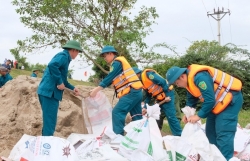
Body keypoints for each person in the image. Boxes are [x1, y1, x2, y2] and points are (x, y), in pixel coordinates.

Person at [166, 64, 243, 160]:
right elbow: (191, 100)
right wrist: (188, 113)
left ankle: (225, 158)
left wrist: (198, 116)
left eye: (177, 83)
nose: (178, 86)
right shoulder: (189, 83)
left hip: (230, 99)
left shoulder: (200, 77)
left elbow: (210, 100)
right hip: (217, 103)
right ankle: (215, 157)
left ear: (182, 76)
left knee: (223, 131)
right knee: (210, 133)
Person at [90, 46, 143, 135]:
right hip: (137, 92)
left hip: (131, 92)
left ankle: (118, 138)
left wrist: (96, 90)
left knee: (117, 112)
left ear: (111, 54)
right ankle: (141, 139)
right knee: (137, 117)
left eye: (105, 56)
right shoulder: (118, 63)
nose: (104, 58)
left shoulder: (117, 62)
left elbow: (110, 77)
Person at [37, 40, 82, 136]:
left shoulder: (64, 58)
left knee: (48, 121)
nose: (78, 54)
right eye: (78, 52)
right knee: (50, 123)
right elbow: (52, 65)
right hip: (50, 93)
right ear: (73, 50)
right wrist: (59, 82)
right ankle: (46, 145)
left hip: (46, 92)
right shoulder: (63, 56)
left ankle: (45, 142)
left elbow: (64, 81)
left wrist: (73, 88)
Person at [132, 67, 182, 136]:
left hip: (168, 93)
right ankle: (155, 136)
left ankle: (178, 136)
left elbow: (163, 82)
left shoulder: (147, 74)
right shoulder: (142, 83)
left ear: (137, 74)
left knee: (171, 116)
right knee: (157, 115)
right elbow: (148, 96)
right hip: (160, 97)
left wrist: (166, 94)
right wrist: (145, 107)